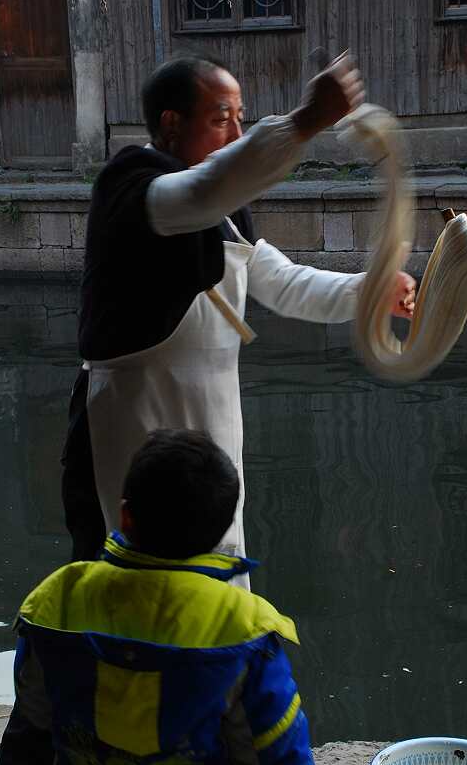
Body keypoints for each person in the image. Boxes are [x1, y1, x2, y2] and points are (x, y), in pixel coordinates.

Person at [62, 52, 416, 577]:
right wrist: (303, 123)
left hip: (212, 428)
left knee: (220, 568)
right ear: (170, 124)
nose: (236, 132)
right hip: (137, 422)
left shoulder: (224, 213)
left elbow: (284, 284)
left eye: (240, 117)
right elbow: (203, 191)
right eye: (221, 118)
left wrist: (371, 292)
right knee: (142, 578)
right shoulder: (133, 186)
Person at [0, 429, 325, 765]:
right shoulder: (244, 629)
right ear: (221, 531)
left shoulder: (56, 601)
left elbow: (34, 714)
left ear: (126, 515)